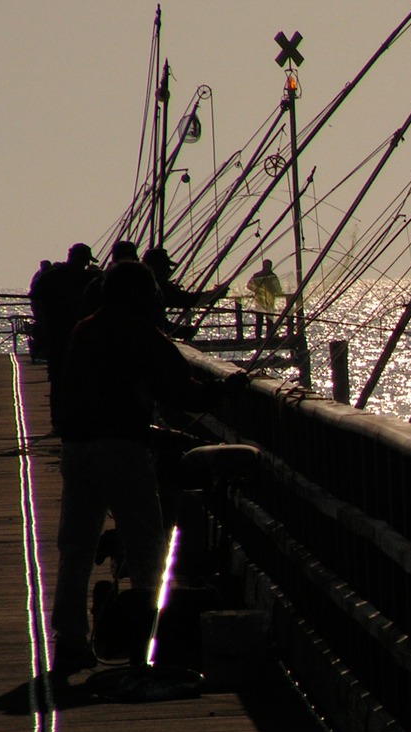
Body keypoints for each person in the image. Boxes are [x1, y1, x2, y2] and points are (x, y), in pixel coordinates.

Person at [49, 260, 247, 680]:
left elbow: (86, 394)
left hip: (77, 447)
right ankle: (144, 644)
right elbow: (180, 390)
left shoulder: (85, 329)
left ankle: (69, 642)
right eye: (154, 292)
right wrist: (222, 390)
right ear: (141, 296)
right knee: (145, 545)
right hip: (121, 450)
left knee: (77, 546)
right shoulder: (140, 333)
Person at [29, 243, 100, 382]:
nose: (86, 263)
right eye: (85, 260)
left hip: (55, 329)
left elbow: (35, 296)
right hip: (76, 330)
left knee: (58, 372)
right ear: (80, 259)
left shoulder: (50, 277)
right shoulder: (88, 278)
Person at [142, 246, 228, 337]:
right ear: (155, 268)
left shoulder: (143, 284)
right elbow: (186, 300)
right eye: (166, 267)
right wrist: (184, 332)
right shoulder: (153, 288)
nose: (169, 271)